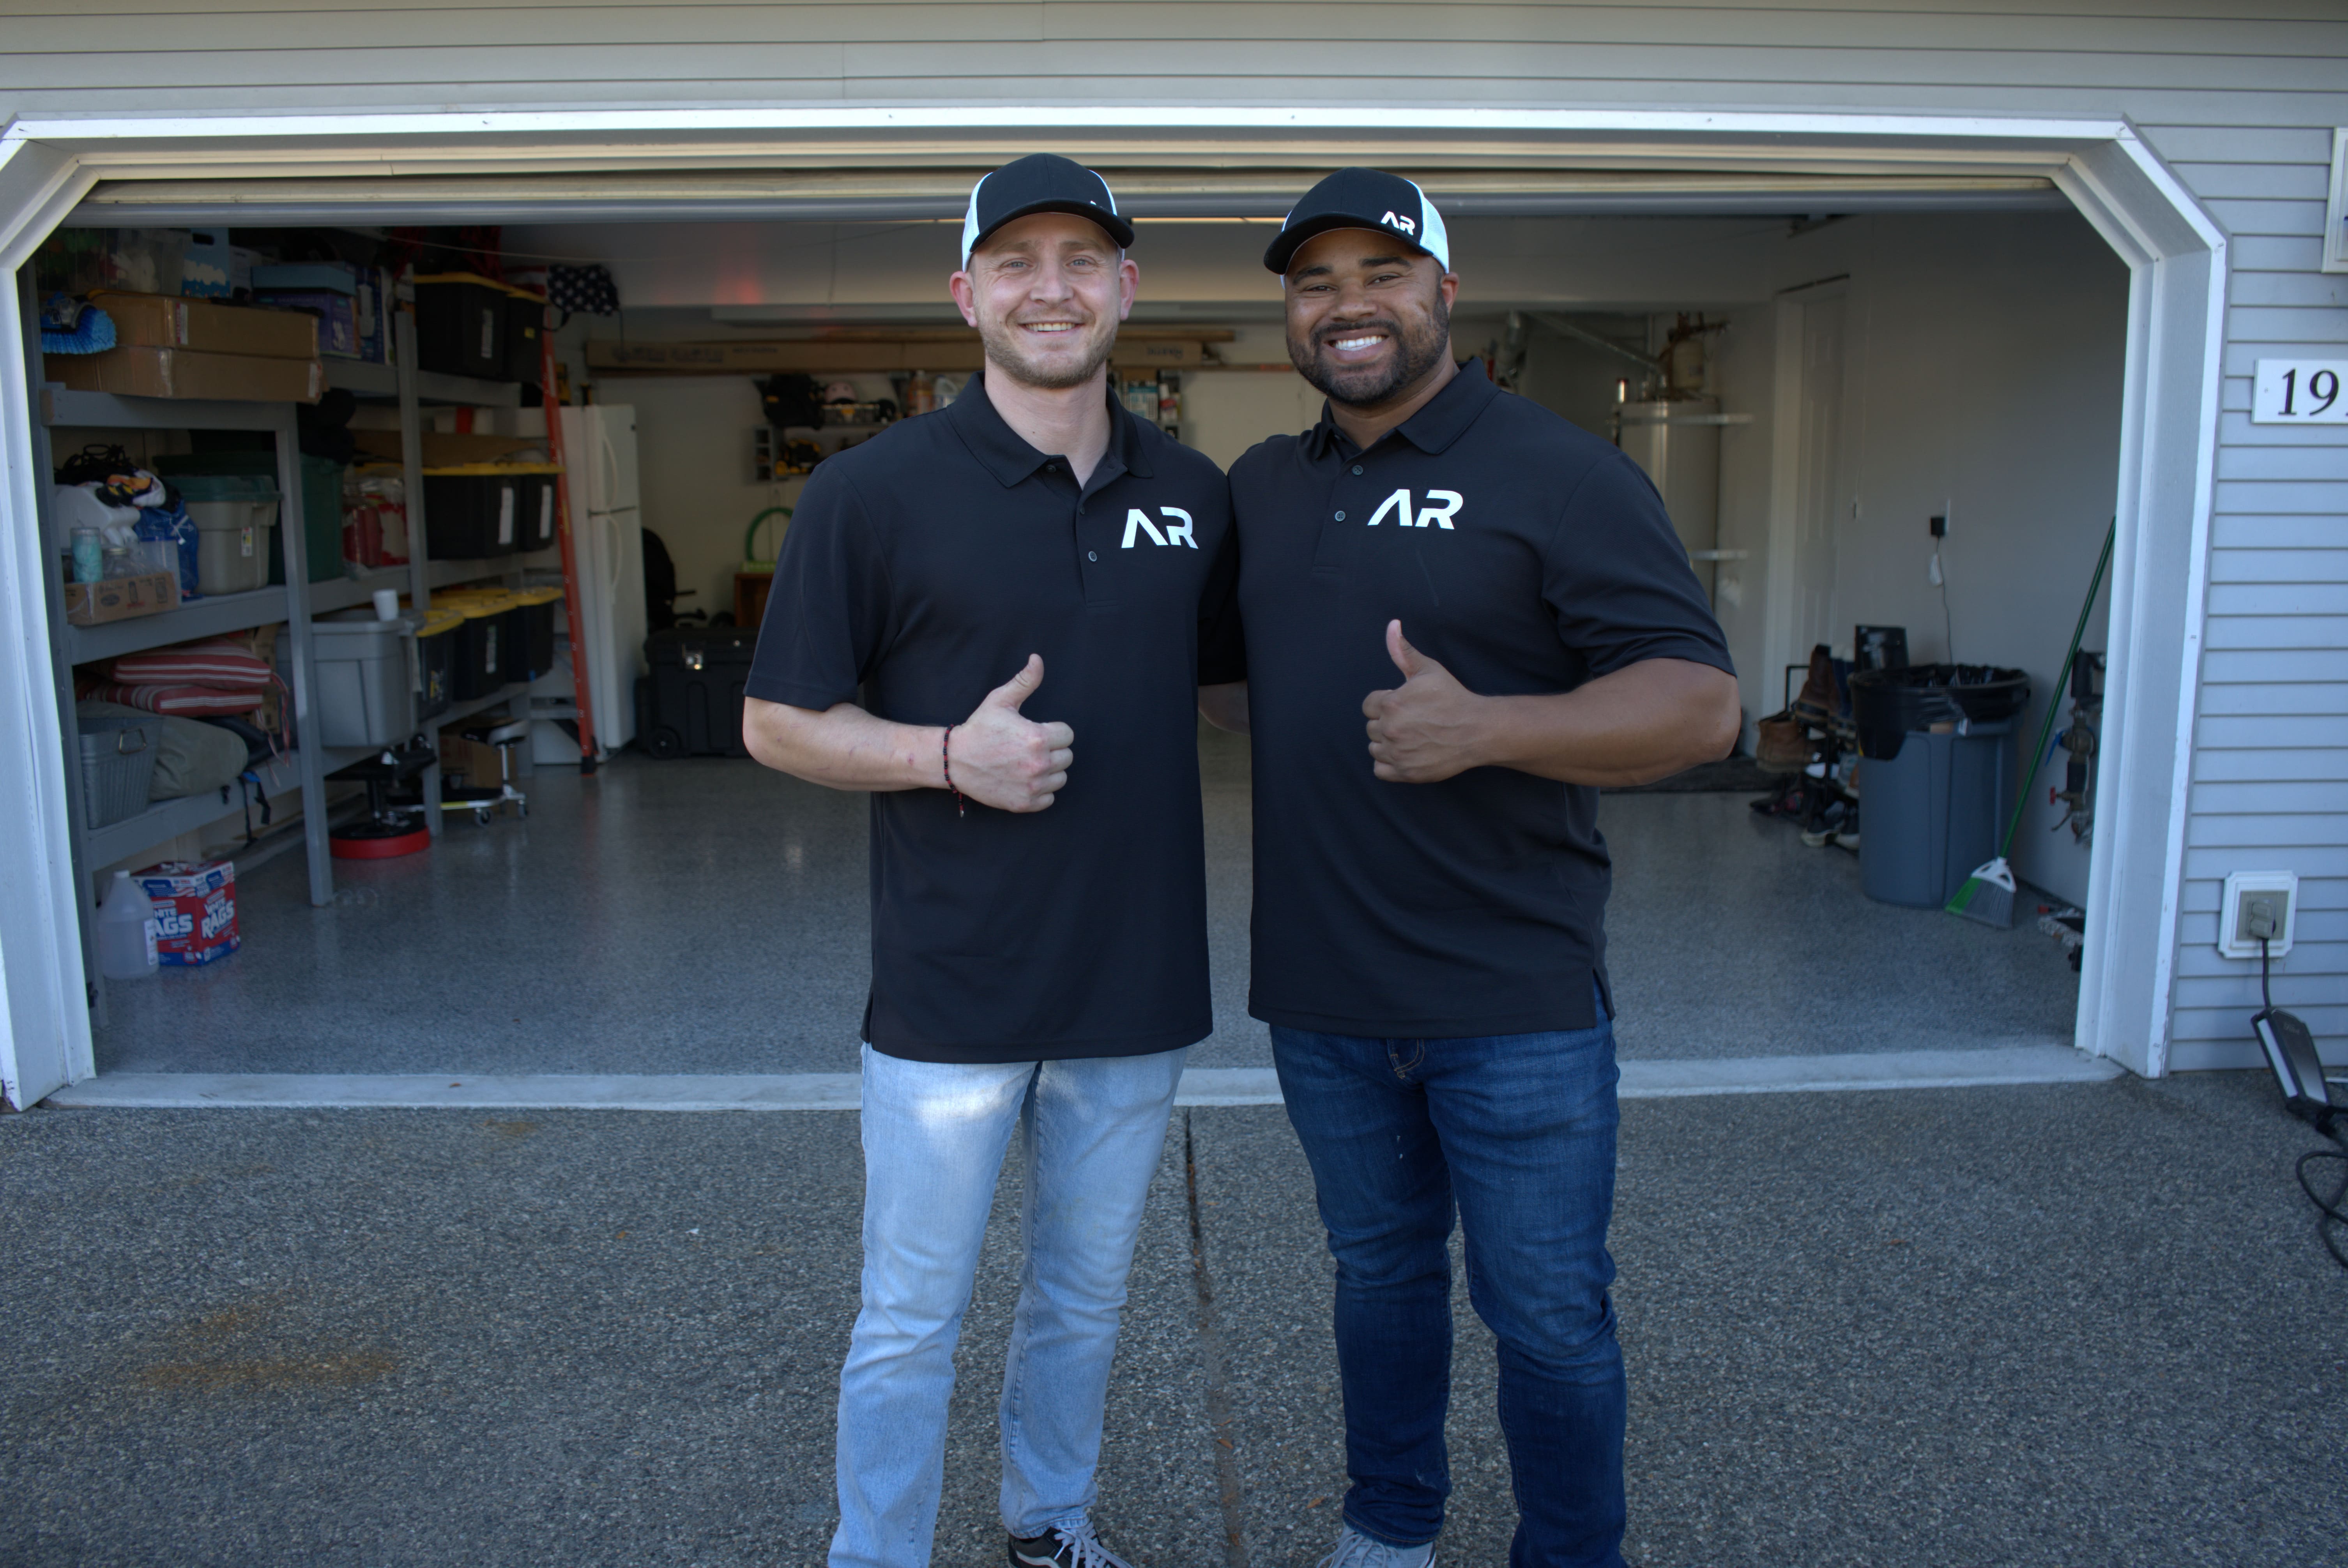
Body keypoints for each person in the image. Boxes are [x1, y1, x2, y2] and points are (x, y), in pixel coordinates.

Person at [1204, 169, 1741, 1568]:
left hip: (1515, 998)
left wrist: (1488, 728)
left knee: (1549, 1313)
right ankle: (1391, 1527)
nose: (1348, 305)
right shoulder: (1264, 486)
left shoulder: (1560, 472)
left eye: (1383, 274)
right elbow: (1231, 683)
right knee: (1378, 1276)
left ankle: (1569, 1552)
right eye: (1316, 284)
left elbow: (1700, 708)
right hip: (1323, 992)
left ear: (1446, 292)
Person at [743, 152, 1243, 1568]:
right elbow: (777, 722)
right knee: (911, 1316)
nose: (1051, 289)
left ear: (1127, 289)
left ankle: (1049, 1521)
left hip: (1136, 979)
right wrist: (947, 757)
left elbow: (1234, 689)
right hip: (951, 987)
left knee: (1084, 1297)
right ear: (966, 294)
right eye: (1016, 262)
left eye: (1082, 260)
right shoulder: (871, 492)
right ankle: (878, 1552)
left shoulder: (1195, 494)